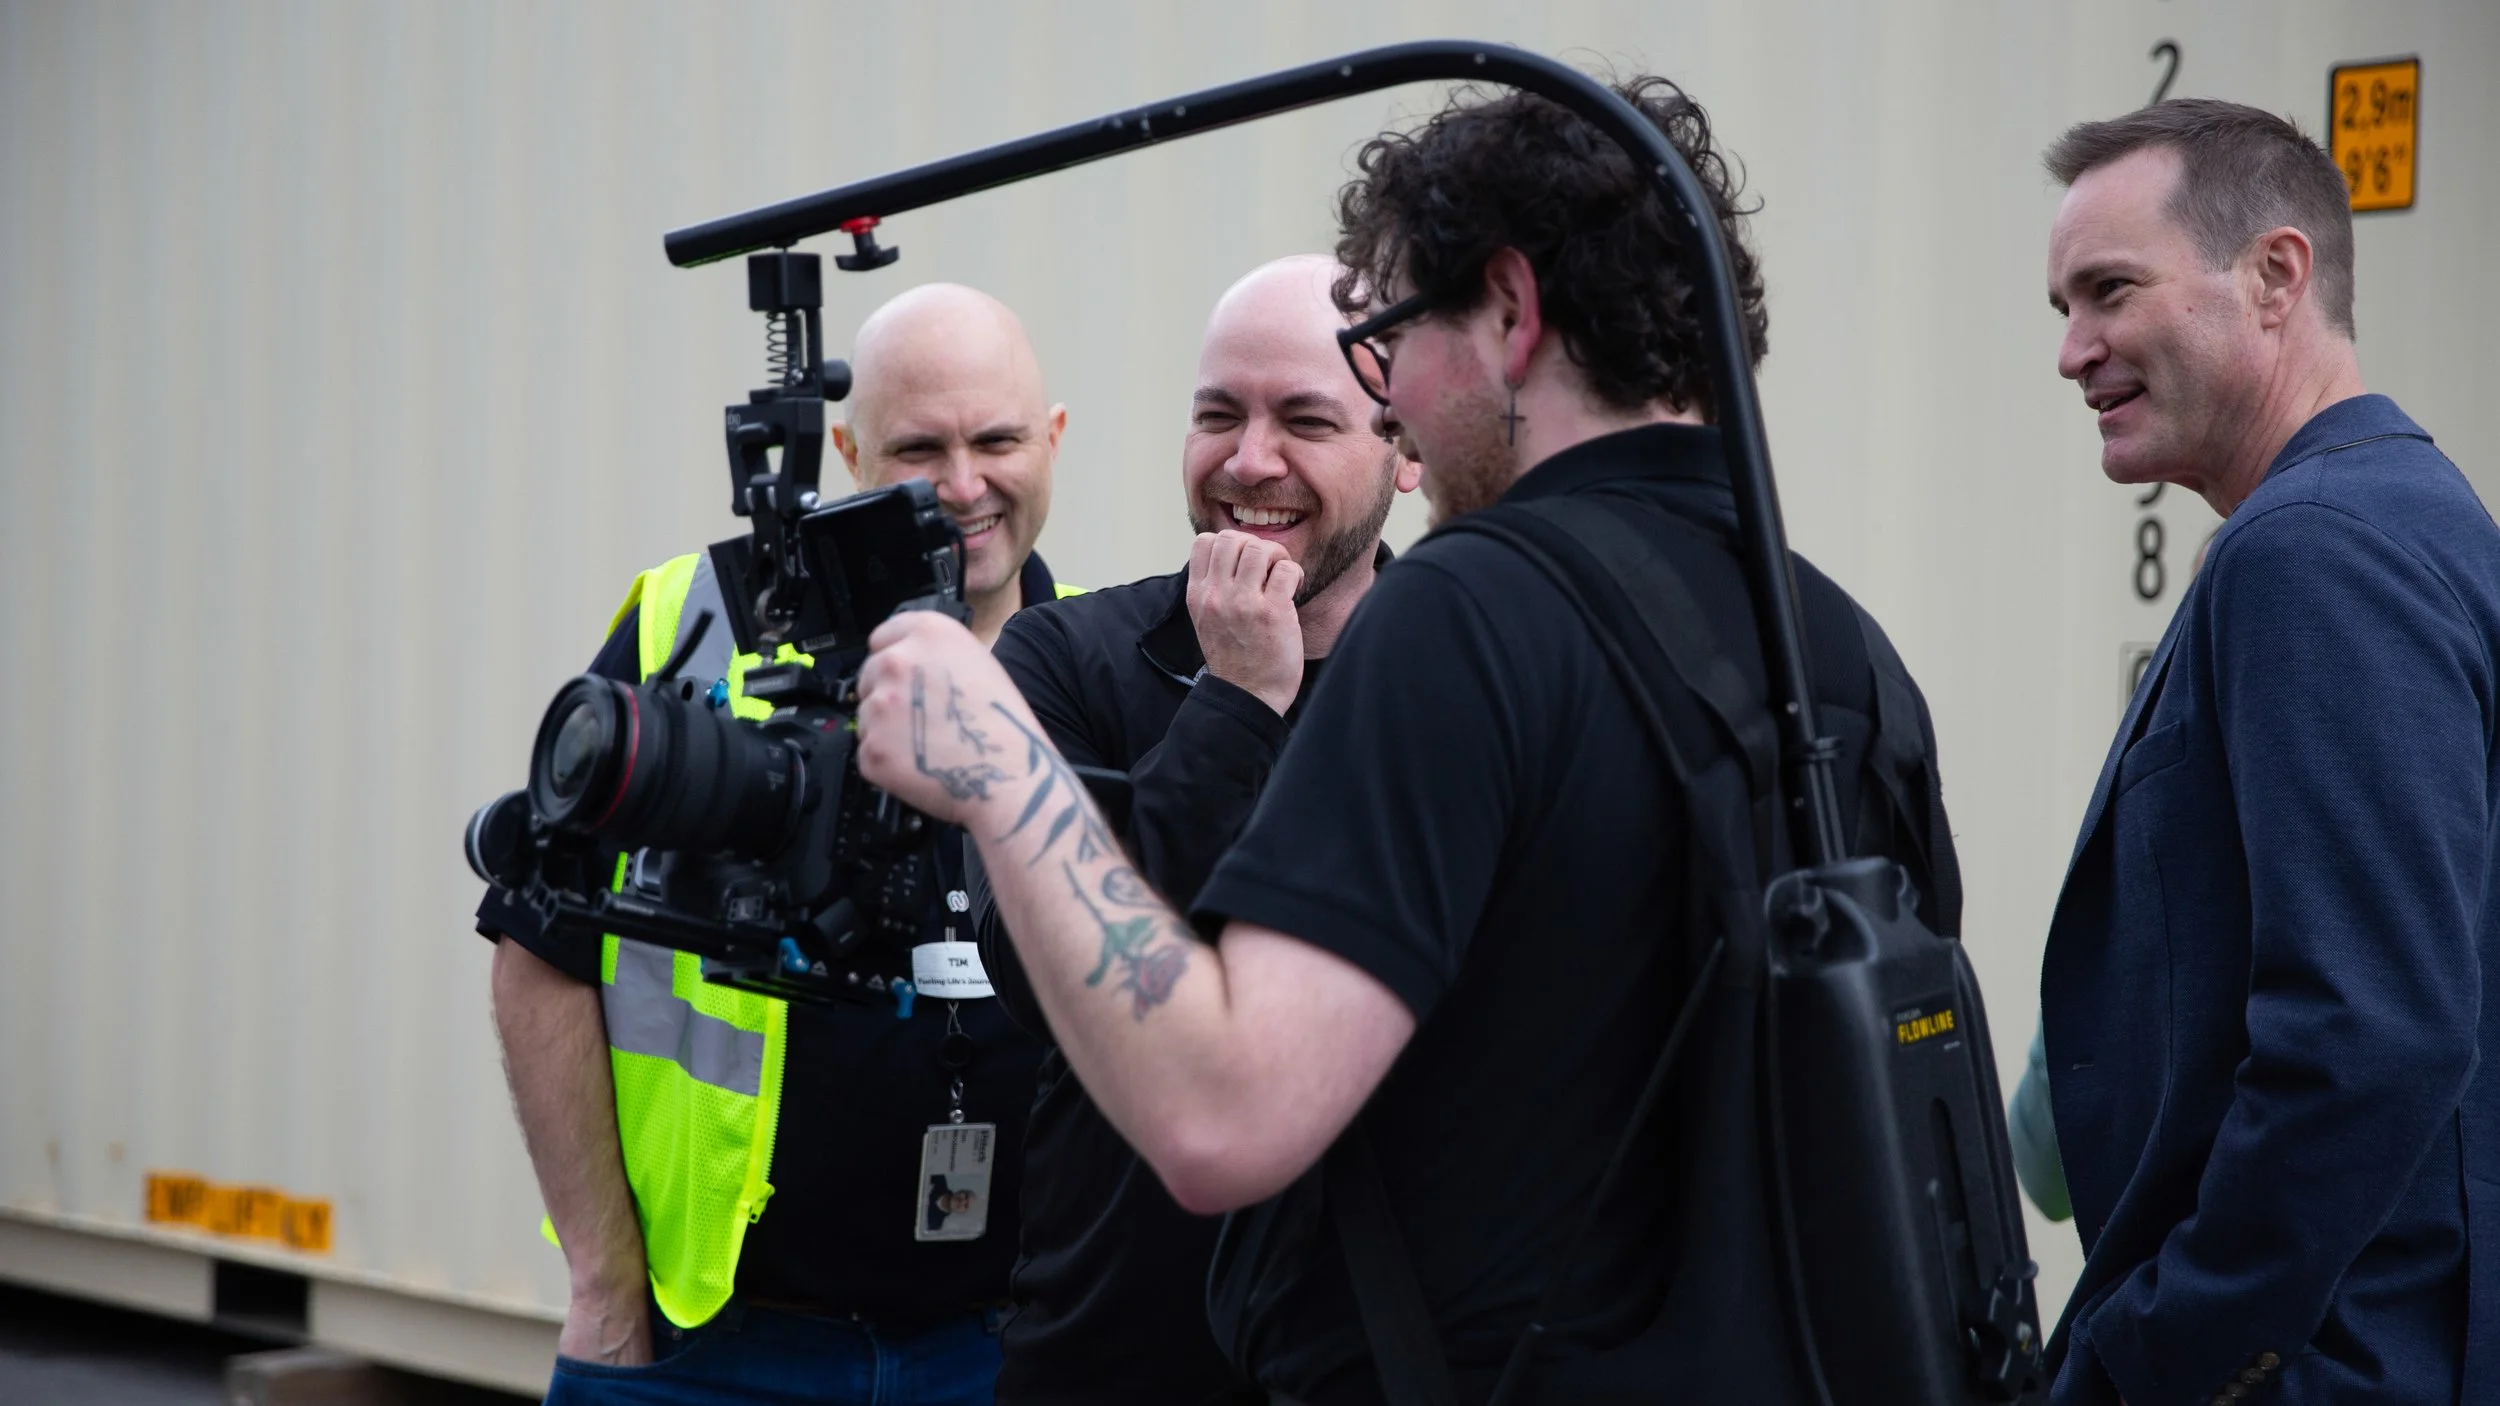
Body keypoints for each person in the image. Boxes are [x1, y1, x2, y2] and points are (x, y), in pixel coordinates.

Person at [851, 78, 1958, 1403]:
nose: (1395, 403)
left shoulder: (1467, 611)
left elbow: (1218, 1117)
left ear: (1508, 310)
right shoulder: (1842, 650)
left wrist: (998, 765)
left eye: (1385, 341)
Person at [484, 282, 1078, 1405]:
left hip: (1012, 1353)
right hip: (721, 1348)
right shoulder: (698, 624)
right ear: (847, 448)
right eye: (918, 446)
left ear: (1052, 439)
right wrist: (604, 1286)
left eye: (997, 439)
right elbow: (536, 945)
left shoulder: (1104, 659)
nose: (963, 485)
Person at [2037, 100, 2500, 1405]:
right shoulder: (2406, 514)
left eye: (2109, 290)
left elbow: (2372, 1033)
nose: (2072, 351)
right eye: (2061, 306)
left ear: (2275, 275)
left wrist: (2170, 1354)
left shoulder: (2320, 550)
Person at [972, 255, 1417, 1406]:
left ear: (1406, 450)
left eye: (1306, 418)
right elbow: (1043, 975)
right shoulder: (1063, 657)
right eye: (1218, 413)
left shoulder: (1451, 681)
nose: (1248, 459)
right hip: (1113, 1355)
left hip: (1376, 1356)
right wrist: (1235, 699)